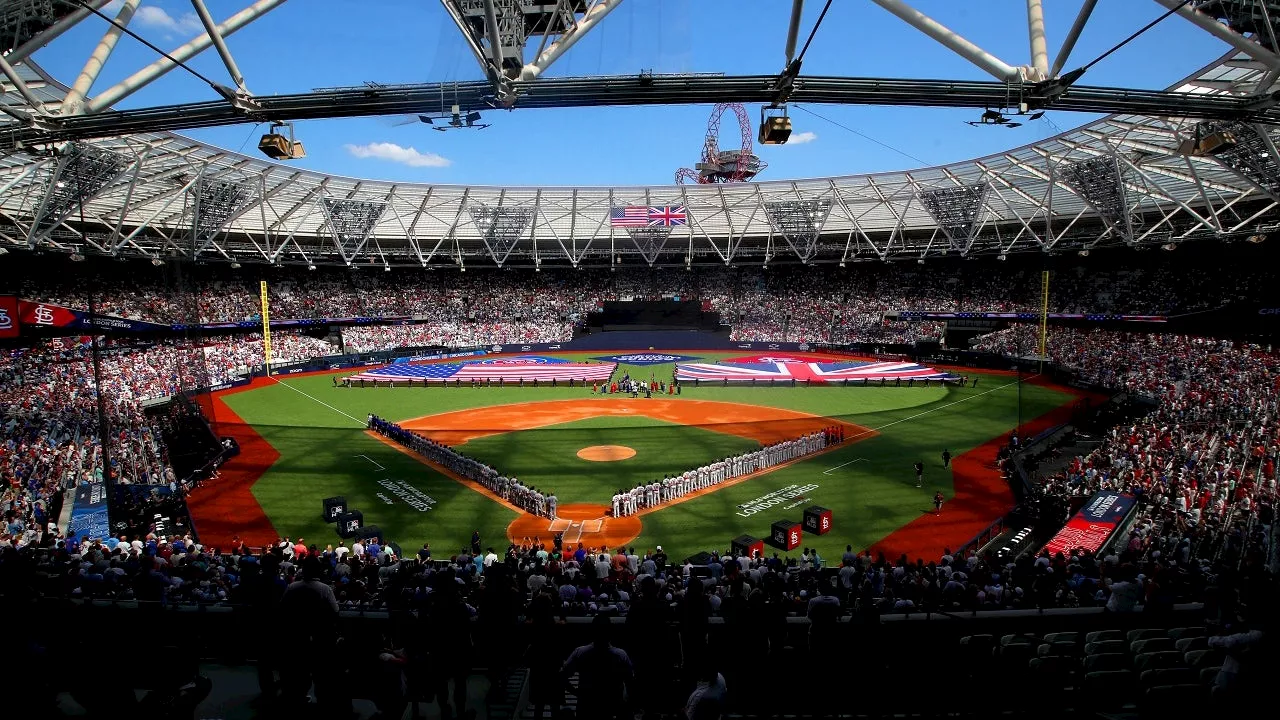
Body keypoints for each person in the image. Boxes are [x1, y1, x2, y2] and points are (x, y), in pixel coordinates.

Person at [562, 614, 634, 719]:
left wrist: (577, 693)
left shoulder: (580, 652)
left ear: (592, 632)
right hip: (612, 706)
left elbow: (563, 676)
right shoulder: (620, 655)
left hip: (586, 706)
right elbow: (630, 682)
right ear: (610, 632)